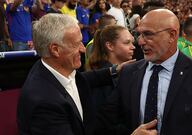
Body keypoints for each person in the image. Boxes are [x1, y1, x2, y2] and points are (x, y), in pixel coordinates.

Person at [96, 9, 192, 135]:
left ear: (172, 35)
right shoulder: (129, 73)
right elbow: (104, 126)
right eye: (139, 34)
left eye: (148, 34)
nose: (140, 41)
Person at [17, 13, 150, 135]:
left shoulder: (52, 68)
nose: (83, 48)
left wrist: (113, 71)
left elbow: (82, 78)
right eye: (76, 44)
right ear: (55, 50)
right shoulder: (45, 103)